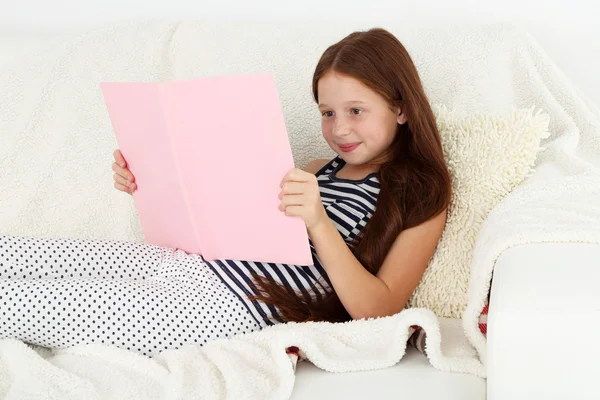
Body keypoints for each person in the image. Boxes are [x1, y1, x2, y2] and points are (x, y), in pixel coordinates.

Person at [0, 27, 451, 358]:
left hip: (230, 306)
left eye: (356, 110)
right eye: (328, 112)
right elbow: (225, 215)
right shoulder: (317, 170)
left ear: (401, 108)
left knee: (18, 303)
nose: (339, 129)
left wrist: (317, 221)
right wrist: (147, 181)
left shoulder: (423, 197)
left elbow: (378, 309)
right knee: (19, 254)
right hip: (186, 264)